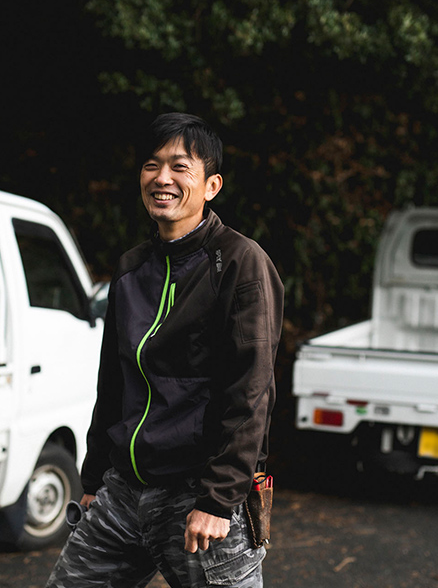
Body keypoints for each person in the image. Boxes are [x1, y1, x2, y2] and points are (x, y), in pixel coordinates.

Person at [46, 112, 284, 587]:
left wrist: (218, 500)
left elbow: (250, 392)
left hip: (198, 497)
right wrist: (93, 480)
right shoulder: (133, 268)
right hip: (123, 493)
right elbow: (113, 382)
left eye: (180, 167)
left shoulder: (240, 263)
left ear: (211, 185)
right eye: (152, 165)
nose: (162, 178)